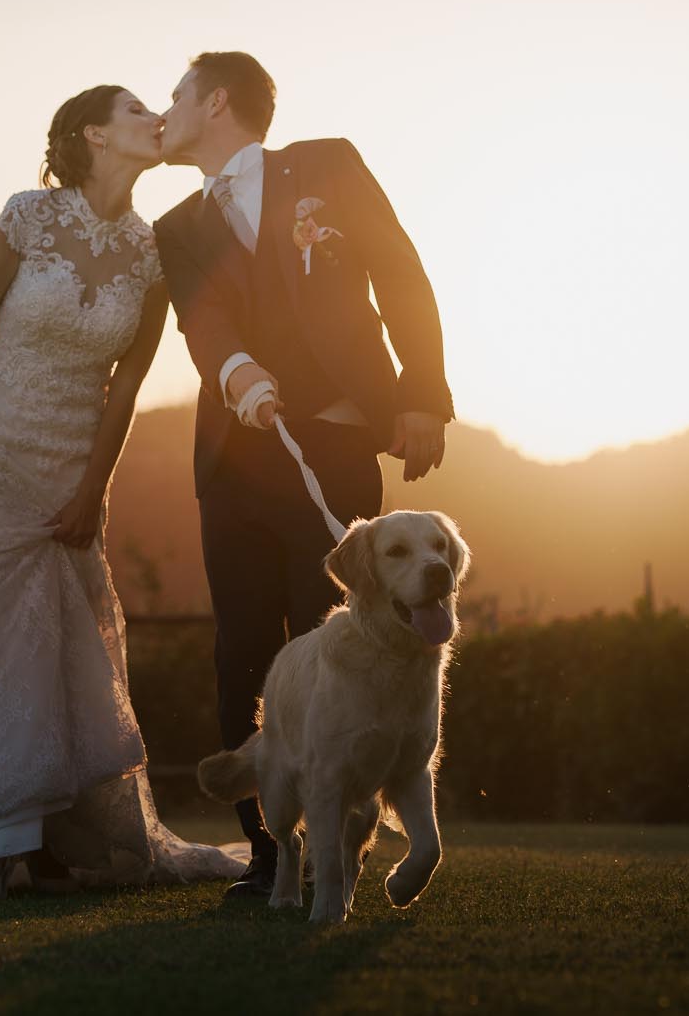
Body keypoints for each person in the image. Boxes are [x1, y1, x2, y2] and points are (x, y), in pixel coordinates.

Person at [0, 84, 246, 901]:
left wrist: (95, 489)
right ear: (93, 133)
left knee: (66, 642)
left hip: (72, 459)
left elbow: (128, 386)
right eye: (136, 107)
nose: (152, 116)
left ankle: (56, 837)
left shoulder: (154, 248)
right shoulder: (27, 216)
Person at [153, 51, 453, 900]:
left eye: (174, 93)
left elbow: (398, 269)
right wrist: (238, 368)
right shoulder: (177, 226)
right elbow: (201, 319)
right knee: (244, 651)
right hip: (235, 469)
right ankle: (270, 854)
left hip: (333, 445)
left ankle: (348, 845)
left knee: (346, 647)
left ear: (216, 100)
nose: (165, 108)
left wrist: (422, 391)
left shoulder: (327, 164)